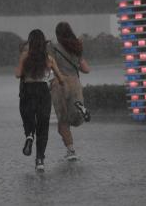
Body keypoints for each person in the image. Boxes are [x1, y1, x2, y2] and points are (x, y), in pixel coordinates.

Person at [15, 29, 64, 172]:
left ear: (30, 42)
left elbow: (18, 74)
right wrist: (58, 81)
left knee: (28, 118)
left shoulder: (25, 56)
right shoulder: (49, 59)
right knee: (43, 126)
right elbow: (60, 79)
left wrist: (25, 68)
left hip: (28, 91)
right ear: (43, 43)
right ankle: (40, 159)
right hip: (43, 92)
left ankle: (29, 136)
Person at [48, 22, 91, 161]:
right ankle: (80, 109)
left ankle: (71, 151)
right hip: (75, 83)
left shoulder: (53, 47)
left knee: (63, 121)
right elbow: (86, 69)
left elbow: (49, 66)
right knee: (75, 119)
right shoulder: (77, 46)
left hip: (60, 84)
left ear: (57, 34)